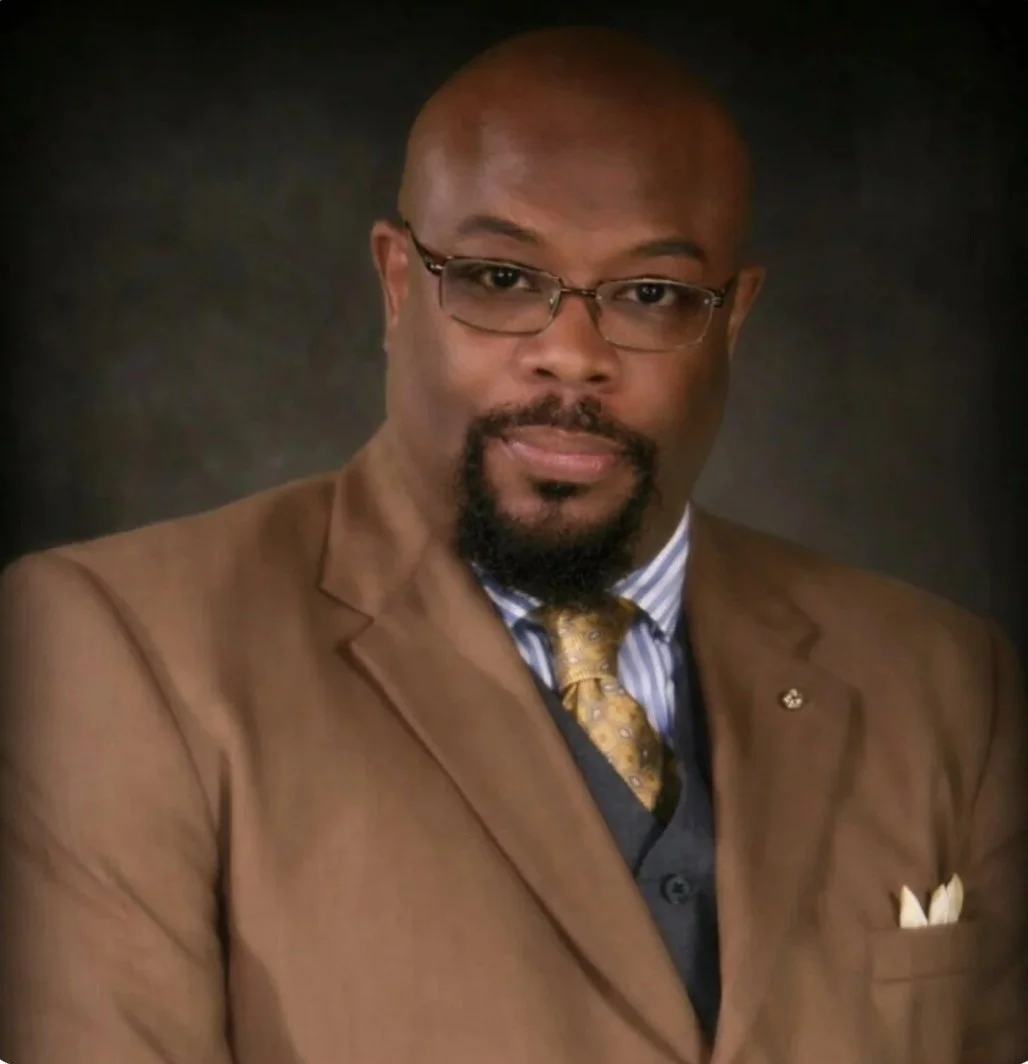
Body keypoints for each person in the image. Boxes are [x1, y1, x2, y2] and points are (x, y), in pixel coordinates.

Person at [1, 25, 1025, 1064]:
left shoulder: (943, 681)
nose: (570, 355)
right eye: (498, 276)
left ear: (732, 320)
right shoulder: (120, 650)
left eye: (650, 294)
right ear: (397, 284)